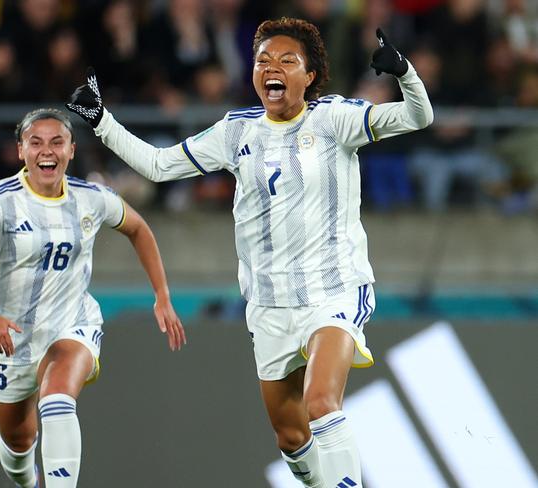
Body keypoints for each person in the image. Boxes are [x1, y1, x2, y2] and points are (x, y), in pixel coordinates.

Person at [67, 17, 433, 487]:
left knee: (322, 402)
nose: (272, 67)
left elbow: (419, 116)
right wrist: (102, 122)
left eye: (287, 60)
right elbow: (159, 167)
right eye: (263, 60)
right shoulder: (236, 132)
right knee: (290, 437)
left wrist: (404, 72)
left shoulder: (335, 119)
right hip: (268, 305)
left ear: (310, 76)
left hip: (334, 290)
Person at [0, 108, 186, 488]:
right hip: (9, 339)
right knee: (19, 443)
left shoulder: (92, 198)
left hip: (73, 324)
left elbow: (138, 228)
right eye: (35, 142)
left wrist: (162, 295)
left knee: (56, 399)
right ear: (21, 150)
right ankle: (27, 476)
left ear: (71, 150)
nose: (46, 151)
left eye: (57, 142)